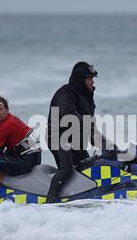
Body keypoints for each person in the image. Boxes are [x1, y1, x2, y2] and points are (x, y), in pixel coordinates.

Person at [46, 61, 117, 203]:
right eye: (89, 79)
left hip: (76, 140)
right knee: (67, 169)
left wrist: (108, 147)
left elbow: (91, 130)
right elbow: (71, 117)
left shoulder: (88, 97)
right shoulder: (65, 94)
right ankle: (50, 201)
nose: (92, 82)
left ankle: (76, 199)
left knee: (86, 168)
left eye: (93, 79)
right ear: (80, 80)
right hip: (57, 139)